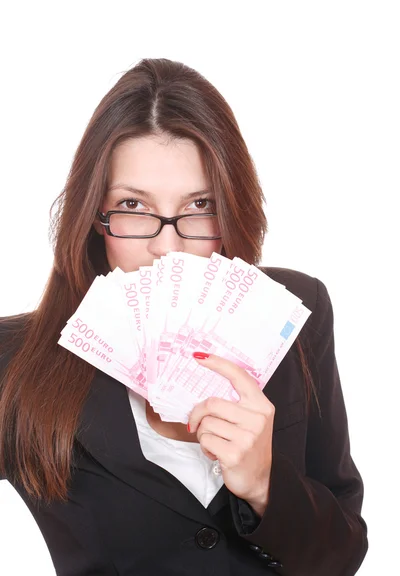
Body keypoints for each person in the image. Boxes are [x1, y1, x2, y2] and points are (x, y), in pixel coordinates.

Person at [0, 58, 368, 576]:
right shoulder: (15, 358)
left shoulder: (293, 314)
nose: (166, 247)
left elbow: (342, 554)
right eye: (132, 204)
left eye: (199, 204)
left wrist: (266, 485)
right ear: (93, 219)